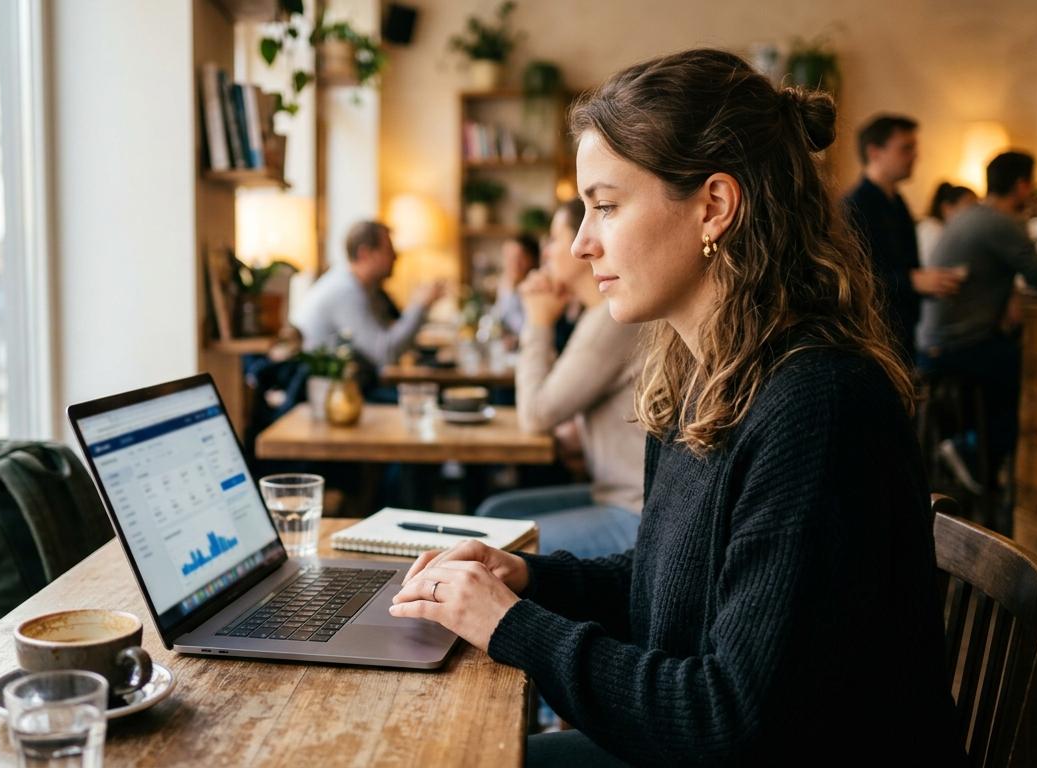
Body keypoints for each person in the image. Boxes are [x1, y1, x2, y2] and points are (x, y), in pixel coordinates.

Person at [389, 49, 963, 766]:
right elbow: (664, 581)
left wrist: (512, 627)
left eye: (605, 206)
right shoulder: (703, 371)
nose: (579, 242)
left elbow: (730, 719)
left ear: (714, 207)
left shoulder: (820, 406)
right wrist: (533, 580)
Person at [475, 198, 644, 558]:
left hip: (634, 513)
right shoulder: (596, 316)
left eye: (554, 239)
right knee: (494, 514)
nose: (545, 251)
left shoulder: (612, 321)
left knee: (489, 543)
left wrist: (537, 320)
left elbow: (534, 415)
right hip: (610, 493)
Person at [918, 151, 1037, 501]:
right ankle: (971, 452)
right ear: (1022, 186)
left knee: (1005, 360)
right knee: (1031, 372)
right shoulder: (1000, 224)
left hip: (933, 343)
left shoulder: (972, 215)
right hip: (954, 347)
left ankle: (975, 453)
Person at [844, 114, 964, 362]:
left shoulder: (898, 203)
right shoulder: (854, 207)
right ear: (875, 152)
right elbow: (851, 279)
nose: (915, 156)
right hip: (872, 337)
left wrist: (929, 282)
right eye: (906, 148)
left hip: (902, 333)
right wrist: (912, 282)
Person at [292, 221, 445, 372]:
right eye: (389, 250)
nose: (395, 257)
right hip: (328, 390)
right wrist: (419, 306)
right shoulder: (345, 291)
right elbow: (385, 354)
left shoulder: (366, 288)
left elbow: (395, 340)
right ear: (364, 254)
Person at [490, 233, 540, 337]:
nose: (512, 263)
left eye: (519, 257)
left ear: (533, 260)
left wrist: (509, 293)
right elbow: (497, 319)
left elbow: (526, 331)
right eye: (508, 257)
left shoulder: (537, 290)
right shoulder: (507, 284)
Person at [918, 182, 979, 263]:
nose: (975, 214)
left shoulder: (950, 231)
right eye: (969, 208)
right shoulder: (931, 228)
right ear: (947, 208)